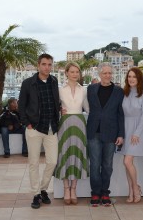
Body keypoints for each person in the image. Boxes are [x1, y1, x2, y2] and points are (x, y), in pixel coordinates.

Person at [18, 53, 60, 209]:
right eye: (44, 64)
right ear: (38, 65)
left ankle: (43, 189)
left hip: (51, 129)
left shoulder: (54, 81)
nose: (47, 67)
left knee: (52, 161)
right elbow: (21, 105)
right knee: (34, 163)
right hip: (34, 128)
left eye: (50, 64)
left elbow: (55, 101)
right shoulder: (28, 83)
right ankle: (36, 194)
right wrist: (27, 123)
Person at [86, 62, 124, 207]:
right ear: (99, 74)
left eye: (109, 73)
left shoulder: (119, 92)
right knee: (94, 165)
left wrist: (121, 134)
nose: (107, 75)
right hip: (93, 132)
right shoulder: (91, 89)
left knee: (107, 165)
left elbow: (121, 114)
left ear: (112, 74)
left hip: (111, 133)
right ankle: (95, 193)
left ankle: (105, 192)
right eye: (104, 73)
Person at [54, 62, 89, 205]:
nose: (75, 74)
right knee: (64, 154)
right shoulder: (59, 90)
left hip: (80, 124)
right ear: (66, 73)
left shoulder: (84, 90)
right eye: (72, 72)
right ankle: (65, 189)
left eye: (77, 72)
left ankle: (73, 189)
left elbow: (88, 108)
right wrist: (58, 111)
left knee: (77, 154)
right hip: (65, 124)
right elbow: (55, 108)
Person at [119, 67, 143, 203]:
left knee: (127, 161)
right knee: (127, 162)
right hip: (125, 130)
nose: (131, 79)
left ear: (139, 79)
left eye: (134, 77)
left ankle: (136, 188)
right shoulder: (124, 94)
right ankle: (131, 191)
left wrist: (137, 133)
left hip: (138, 131)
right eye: (129, 76)